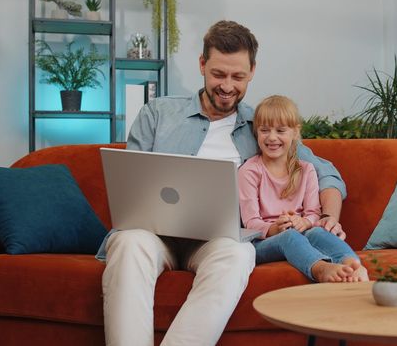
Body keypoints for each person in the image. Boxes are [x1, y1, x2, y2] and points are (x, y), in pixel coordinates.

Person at [100, 20, 347, 346]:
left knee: (238, 254)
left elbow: (326, 173)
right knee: (128, 243)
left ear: (252, 71)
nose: (227, 86)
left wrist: (329, 217)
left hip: (218, 241)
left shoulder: (262, 127)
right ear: (202, 65)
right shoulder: (158, 113)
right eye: (218, 74)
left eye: (238, 76)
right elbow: (129, 180)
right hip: (153, 235)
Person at [238, 95, 368, 283]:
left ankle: (353, 265)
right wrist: (276, 228)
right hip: (263, 242)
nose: (272, 137)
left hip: (301, 232)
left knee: (317, 232)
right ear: (256, 132)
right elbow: (250, 222)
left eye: (281, 130)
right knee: (289, 236)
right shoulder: (249, 171)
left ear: (295, 133)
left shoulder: (307, 170)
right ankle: (320, 268)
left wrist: (304, 223)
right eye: (264, 130)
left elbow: (313, 213)